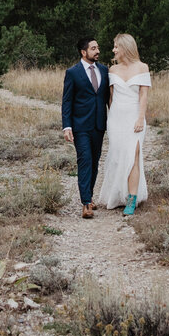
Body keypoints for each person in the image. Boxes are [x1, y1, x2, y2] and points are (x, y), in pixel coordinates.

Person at [97, 33, 150, 217]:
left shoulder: (142, 67)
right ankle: (118, 193)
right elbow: (110, 98)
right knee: (118, 157)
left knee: (133, 157)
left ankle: (132, 199)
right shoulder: (112, 70)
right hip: (116, 119)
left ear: (125, 47)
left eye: (116, 46)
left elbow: (143, 95)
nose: (113, 50)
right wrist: (111, 119)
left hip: (134, 117)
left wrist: (140, 119)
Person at [62, 37, 109, 218]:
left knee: (95, 162)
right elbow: (67, 101)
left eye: (98, 48)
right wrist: (67, 126)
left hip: (99, 124)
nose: (97, 51)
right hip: (80, 125)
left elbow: (107, 98)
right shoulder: (73, 72)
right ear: (84, 52)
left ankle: (89, 195)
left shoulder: (104, 70)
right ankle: (86, 203)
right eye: (93, 48)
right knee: (85, 161)